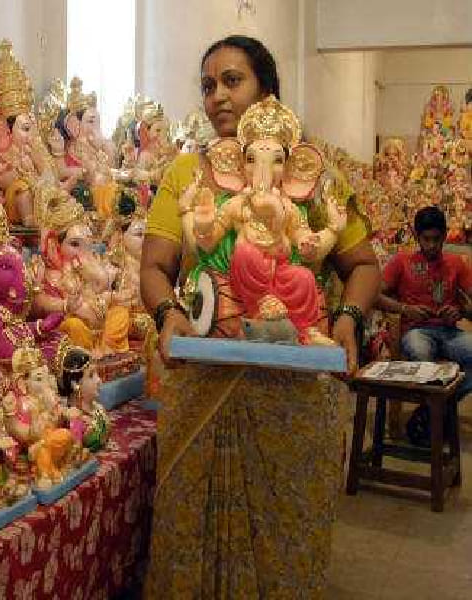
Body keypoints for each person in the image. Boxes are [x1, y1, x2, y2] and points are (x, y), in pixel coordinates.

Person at [141, 35, 381, 598]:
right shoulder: (188, 173)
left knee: (285, 532)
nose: (217, 96)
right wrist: (169, 313)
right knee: (189, 525)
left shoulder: (316, 175)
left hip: (293, 391)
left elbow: (363, 265)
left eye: (233, 80)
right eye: (208, 85)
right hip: (204, 375)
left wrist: (347, 319)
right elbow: (154, 266)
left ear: (268, 91)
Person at [379, 206, 472, 397]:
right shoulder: (401, 261)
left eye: (437, 239)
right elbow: (374, 296)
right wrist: (405, 309)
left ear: (444, 236)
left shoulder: (455, 263)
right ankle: (437, 407)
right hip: (416, 331)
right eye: (426, 239)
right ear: (417, 237)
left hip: (450, 332)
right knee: (421, 356)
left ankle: (439, 405)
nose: (432, 245)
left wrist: (461, 312)